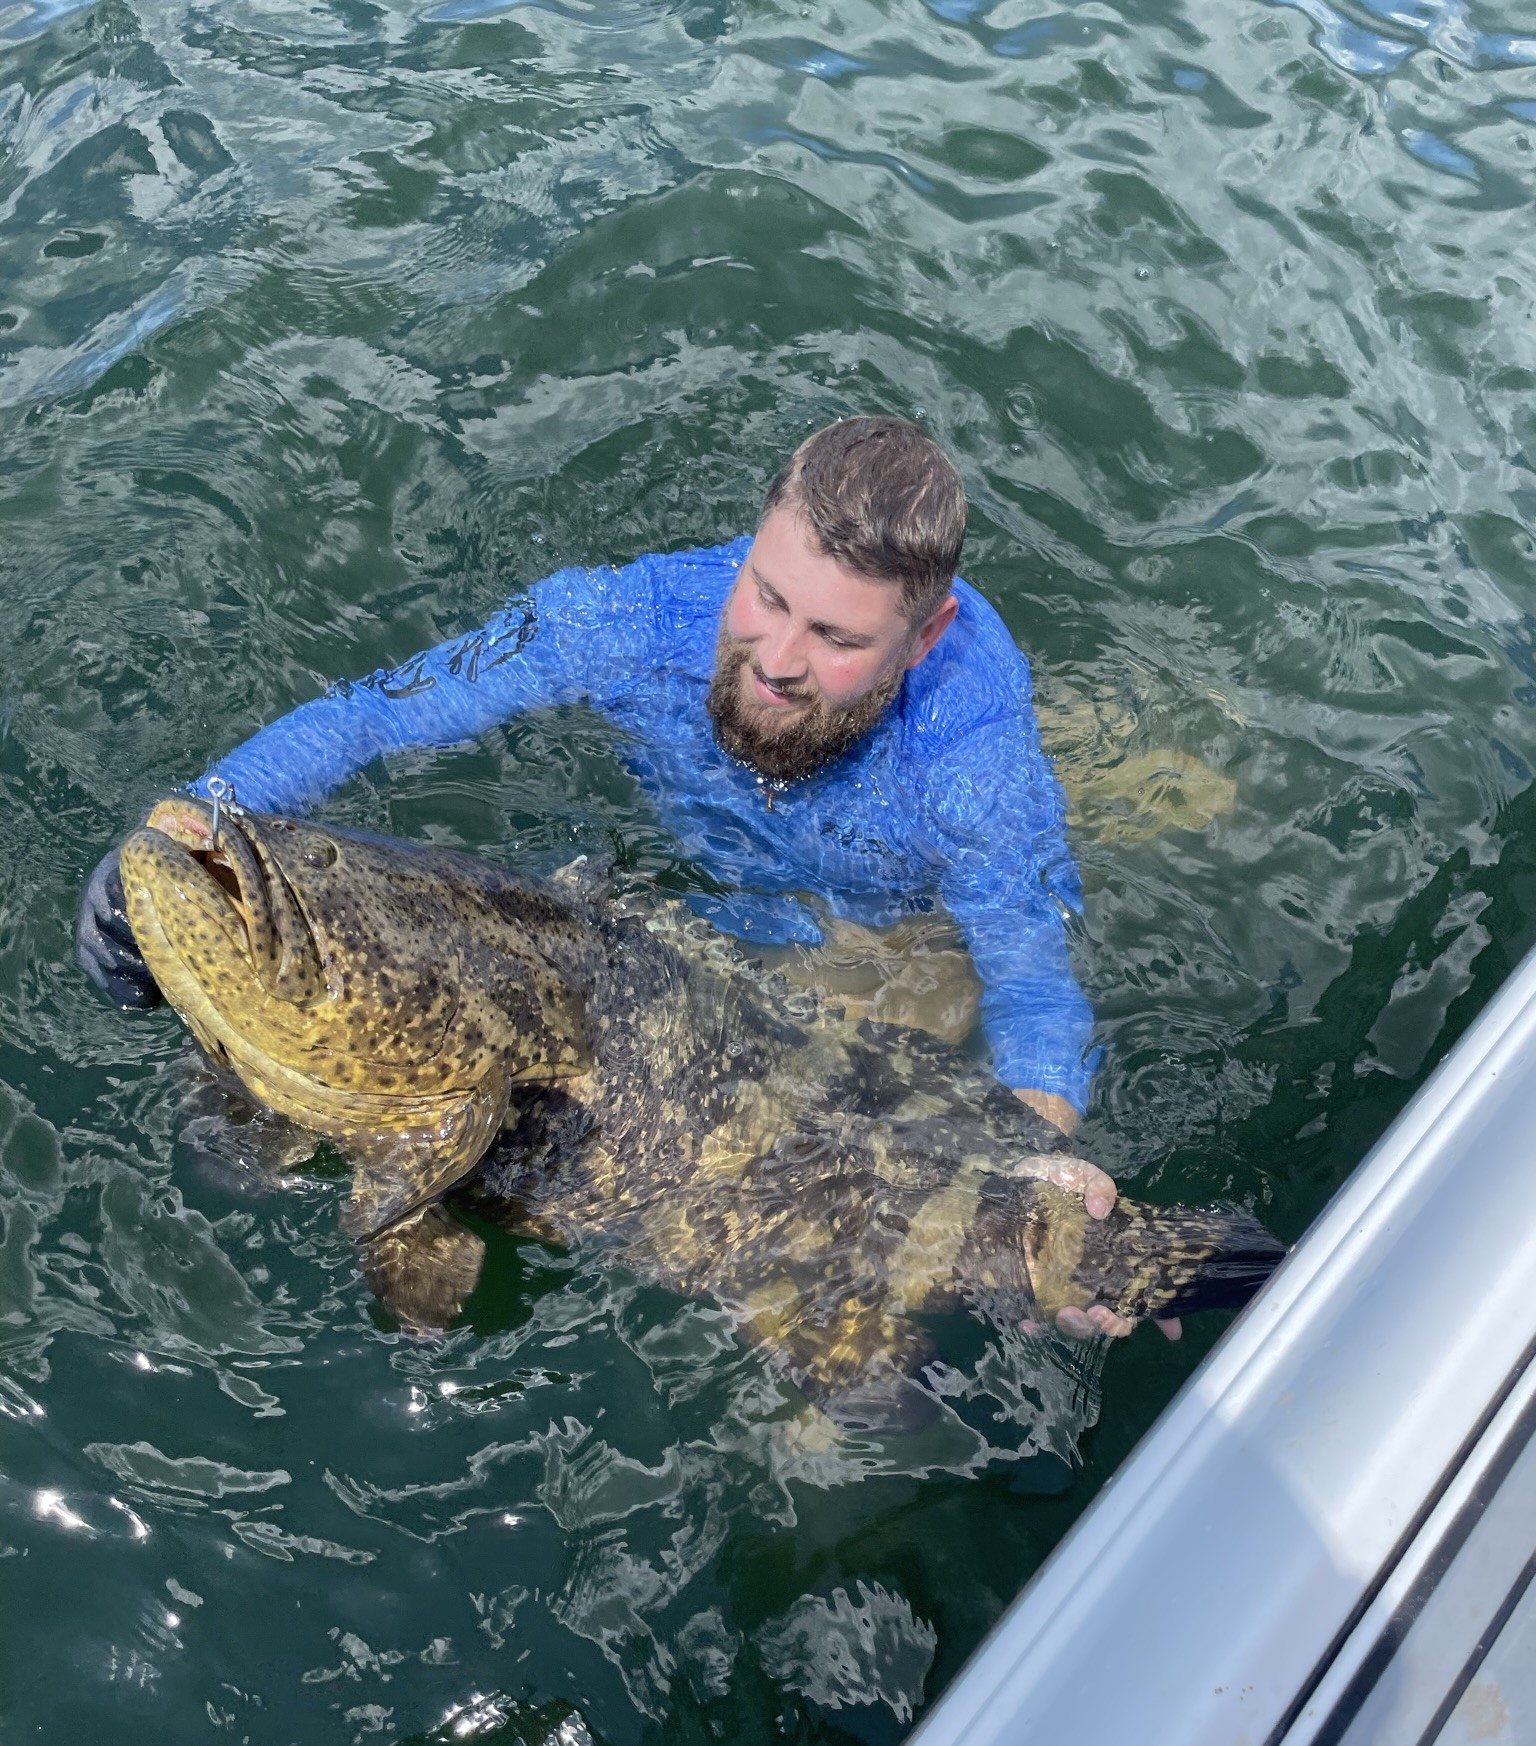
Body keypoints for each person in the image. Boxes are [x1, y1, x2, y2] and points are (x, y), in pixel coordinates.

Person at [78, 414, 1174, 1341]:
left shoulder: (972, 768)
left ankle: (1161, 770)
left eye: (837, 636)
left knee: (830, 1271)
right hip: (663, 931)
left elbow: (1030, 974)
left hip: (876, 934)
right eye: (766, 594)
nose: (779, 659)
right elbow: (375, 711)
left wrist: (1037, 1166)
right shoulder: (624, 620)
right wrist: (192, 816)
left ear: (924, 636)